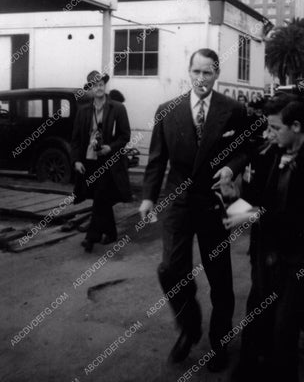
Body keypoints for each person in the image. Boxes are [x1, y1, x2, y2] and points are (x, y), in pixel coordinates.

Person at [139, 48, 249, 372]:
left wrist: (231, 167)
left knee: (220, 279)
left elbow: (245, 148)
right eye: (197, 72)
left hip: (213, 203)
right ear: (189, 72)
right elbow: (157, 161)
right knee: (171, 269)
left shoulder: (233, 110)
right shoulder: (167, 111)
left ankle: (219, 341)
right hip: (178, 201)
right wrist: (148, 197)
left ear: (217, 75)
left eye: (208, 73)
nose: (202, 79)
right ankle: (189, 327)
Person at [224, 95, 304, 382]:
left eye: (273, 127)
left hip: (293, 260)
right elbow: (255, 196)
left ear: (296, 126)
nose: (267, 134)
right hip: (263, 256)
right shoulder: (271, 153)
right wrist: (232, 200)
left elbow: (301, 221)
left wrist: (256, 216)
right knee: (256, 325)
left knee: (283, 334)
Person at [71, 70, 132, 252]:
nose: (98, 87)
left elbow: (125, 136)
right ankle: (111, 232)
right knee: (102, 197)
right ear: (90, 88)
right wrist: (76, 161)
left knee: (100, 196)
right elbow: (74, 140)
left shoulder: (117, 108)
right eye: (94, 84)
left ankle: (91, 237)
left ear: (104, 86)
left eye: (101, 84)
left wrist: (110, 148)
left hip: (109, 162)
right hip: (89, 162)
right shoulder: (83, 112)